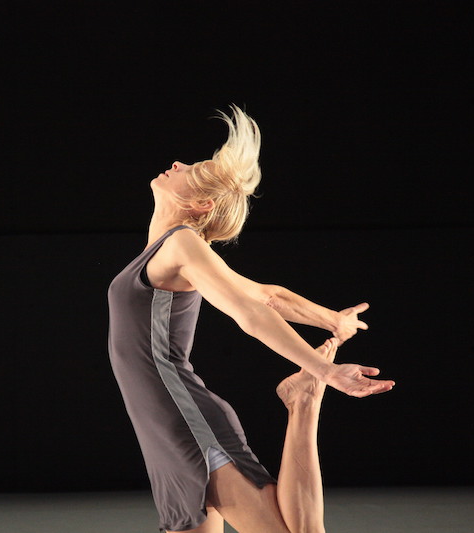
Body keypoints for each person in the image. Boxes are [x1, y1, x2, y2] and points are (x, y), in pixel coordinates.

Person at [107, 105, 394, 533]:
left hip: (184, 418)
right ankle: (305, 394)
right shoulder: (170, 251)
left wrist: (326, 371)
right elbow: (268, 294)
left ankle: (304, 400)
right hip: (159, 425)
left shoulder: (182, 243)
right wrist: (334, 320)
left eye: (191, 168)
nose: (176, 164)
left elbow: (251, 311)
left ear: (200, 203)